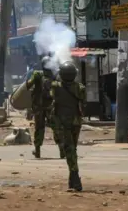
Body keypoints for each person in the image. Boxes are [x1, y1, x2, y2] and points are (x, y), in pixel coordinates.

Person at [50, 61, 86, 192]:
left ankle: (75, 178)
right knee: (72, 149)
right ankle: (72, 179)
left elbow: (52, 94)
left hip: (62, 123)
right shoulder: (80, 87)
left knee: (69, 150)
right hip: (76, 122)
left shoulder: (56, 87)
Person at [27, 56, 64, 159]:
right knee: (56, 127)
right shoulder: (55, 75)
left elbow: (28, 85)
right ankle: (62, 150)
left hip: (39, 107)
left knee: (39, 128)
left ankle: (37, 150)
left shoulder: (37, 74)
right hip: (51, 106)